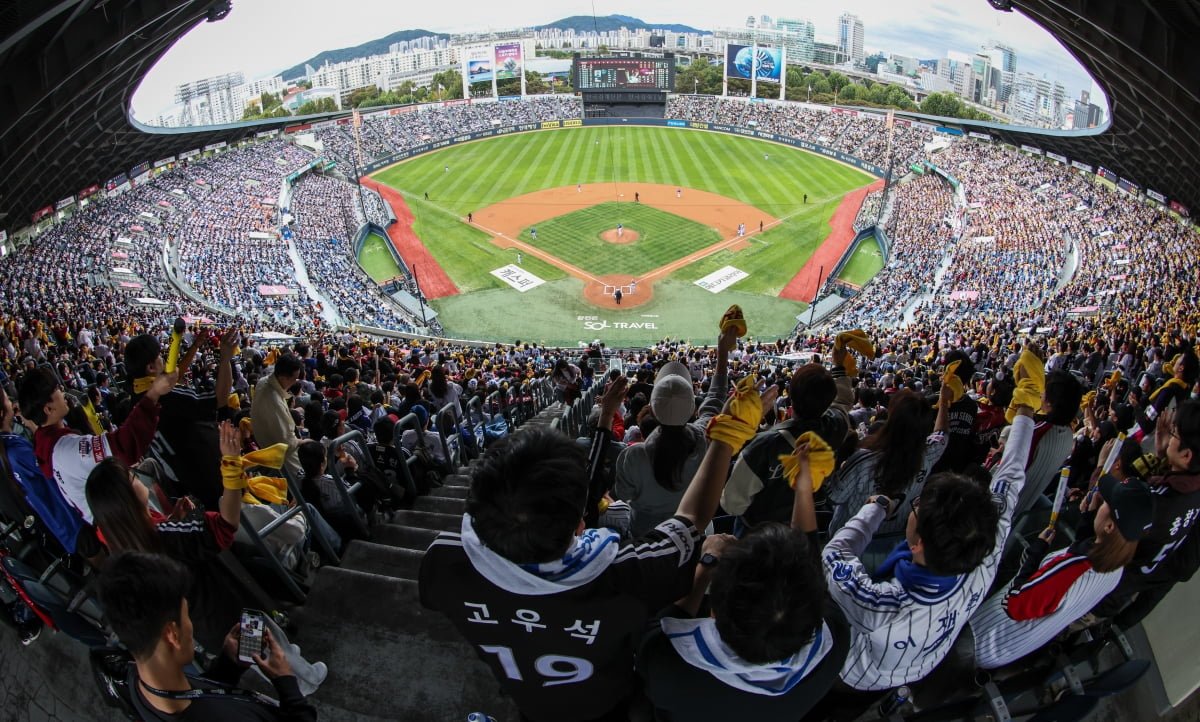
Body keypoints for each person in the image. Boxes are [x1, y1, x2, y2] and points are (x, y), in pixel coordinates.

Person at [419, 375, 763, 722]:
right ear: (581, 524)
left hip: (529, 702)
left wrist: (604, 419)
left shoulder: (443, 564)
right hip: (609, 707)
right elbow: (692, 517)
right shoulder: (627, 577)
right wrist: (724, 441)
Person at [820, 348, 1041, 694]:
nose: (916, 502)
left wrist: (877, 506)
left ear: (918, 542)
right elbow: (1010, 478)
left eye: (919, 507)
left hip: (857, 675)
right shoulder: (985, 552)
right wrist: (1026, 406)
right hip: (922, 663)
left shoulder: (883, 604)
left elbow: (833, 553)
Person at [638, 438, 850, 719]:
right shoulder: (833, 643)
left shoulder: (666, 661)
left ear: (713, 612)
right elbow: (807, 565)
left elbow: (668, 618)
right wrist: (803, 485)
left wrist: (706, 564)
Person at [970, 452, 1151, 670]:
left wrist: (1036, 552)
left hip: (983, 639)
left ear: (1110, 526)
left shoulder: (1075, 568)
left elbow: (1015, 603)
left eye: (1106, 504)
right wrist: (1089, 517)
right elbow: (1085, 551)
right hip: (1014, 649)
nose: (1101, 503)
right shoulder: (1115, 571)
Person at [95, 552, 318, 721]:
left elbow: (200, 692)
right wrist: (286, 682)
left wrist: (228, 666)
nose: (190, 626)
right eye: (186, 617)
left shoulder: (139, 680)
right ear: (172, 634)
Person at [1091, 400, 1200, 626]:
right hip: (1123, 590)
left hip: (1095, 591)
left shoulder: (1154, 503)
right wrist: (1163, 456)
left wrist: (1102, 465)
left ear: (1187, 455)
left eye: (1174, 433)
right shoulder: (1191, 495)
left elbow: (1105, 511)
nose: (1169, 437)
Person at [20, 365, 172, 525]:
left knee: (148, 467)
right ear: (48, 409)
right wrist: (154, 394)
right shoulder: (65, 450)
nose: (63, 392)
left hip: (112, 521)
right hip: (123, 525)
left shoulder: (48, 446)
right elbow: (123, 445)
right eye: (57, 389)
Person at [614, 334, 732, 537]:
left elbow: (624, 495)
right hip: (697, 534)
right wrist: (722, 352)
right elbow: (717, 396)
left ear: (652, 409)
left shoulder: (633, 456)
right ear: (693, 408)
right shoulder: (705, 439)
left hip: (646, 538)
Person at [721, 353, 852, 527]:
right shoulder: (837, 427)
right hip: (806, 529)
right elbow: (842, 403)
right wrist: (838, 367)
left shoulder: (762, 446)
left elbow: (732, 506)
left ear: (790, 395)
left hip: (760, 536)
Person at [124, 328, 239, 508]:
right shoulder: (166, 397)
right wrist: (225, 359)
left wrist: (195, 346)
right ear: (151, 368)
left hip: (188, 481)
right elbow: (219, 399)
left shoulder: (137, 396)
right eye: (160, 356)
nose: (163, 359)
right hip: (213, 481)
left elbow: (172, 377)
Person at [825, 387, 950, 539]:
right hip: (891, 540)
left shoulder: (863, 460)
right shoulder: (927, 455)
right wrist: (943, 401)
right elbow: (942, 434)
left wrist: (840, 465)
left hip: (850, 542)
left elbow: (834, 496)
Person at [251, 354, 304, 479]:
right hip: (285, 460)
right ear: (283, 377)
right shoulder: (273, 400)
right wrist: (303, 441)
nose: (295, 382)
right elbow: (287, 443)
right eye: (294, 378)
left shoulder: (263, 381)